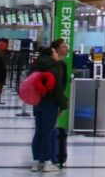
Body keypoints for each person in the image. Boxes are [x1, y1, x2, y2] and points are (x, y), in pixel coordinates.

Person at [29, 42, 68, 172]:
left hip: (37, 103)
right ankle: (46, 162)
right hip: (50, 104)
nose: (57, 55)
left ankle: (36, 162)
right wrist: (63, 106)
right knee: (47, 133)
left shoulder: (37, 65)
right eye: (55, 53)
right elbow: (58, 90)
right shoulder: (54, 68)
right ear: (52, 55)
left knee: (38, 132)